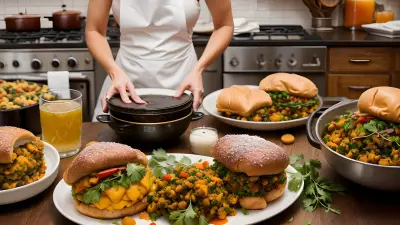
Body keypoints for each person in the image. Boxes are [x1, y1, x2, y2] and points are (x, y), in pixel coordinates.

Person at [86, 0, 234, 120]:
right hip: (124, 81)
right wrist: (114, 72)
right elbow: (94, 30)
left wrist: (198, 70)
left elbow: (224, 25)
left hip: (183, 80)